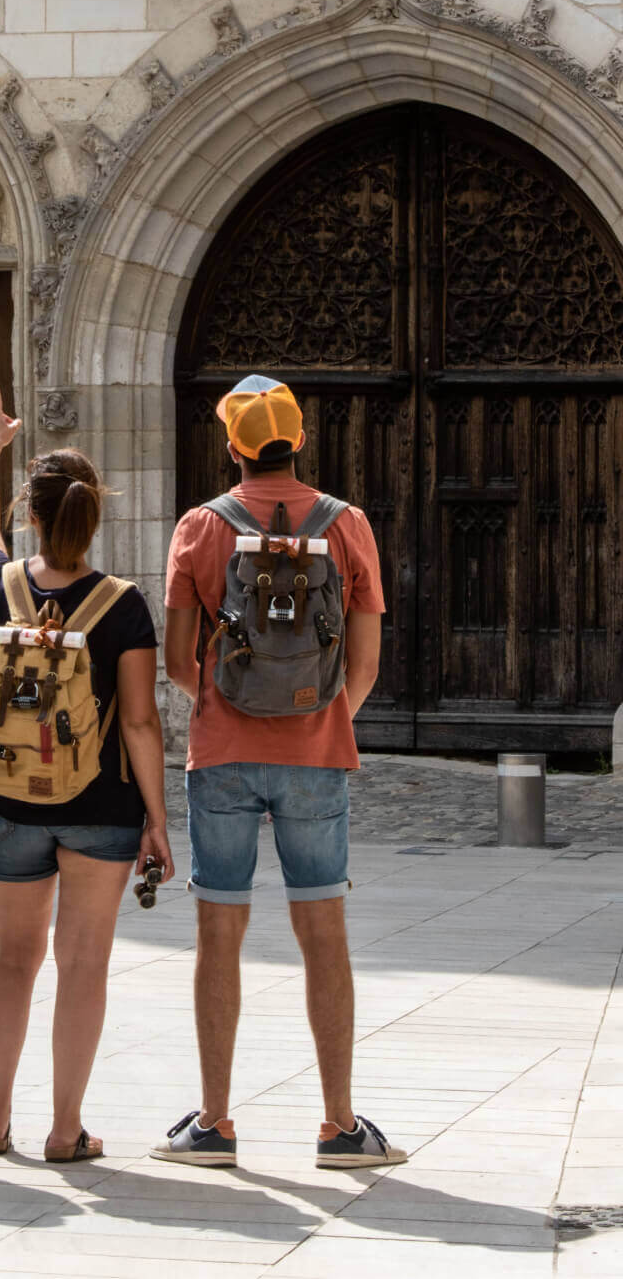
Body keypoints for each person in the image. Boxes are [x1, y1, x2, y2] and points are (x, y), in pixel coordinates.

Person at [155, 374, 407, 1171]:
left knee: (219, 933)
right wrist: (316, 711)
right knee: (323, 934)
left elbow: (176, 660)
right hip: (317, 754)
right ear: (298, 441)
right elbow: (363, 666)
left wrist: (229, 704)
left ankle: (216, 1124)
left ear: (232, 447)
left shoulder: (201, 528)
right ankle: (339, 1127)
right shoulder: (348, 526)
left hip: (222, 754)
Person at [0, 384, 172, 1162]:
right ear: (93, 518)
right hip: (102, 804)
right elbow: (142, 722)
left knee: (8, 958)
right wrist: (156, 818)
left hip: (10, 801)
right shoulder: (123, 607)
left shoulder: (4, 586)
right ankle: (64, 1130)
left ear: (35, 513)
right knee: (82, 962)